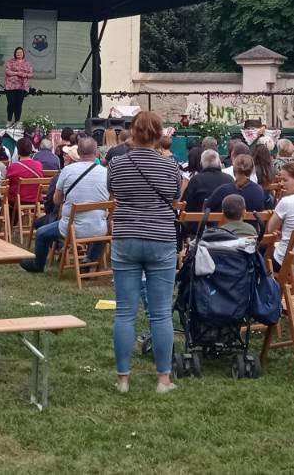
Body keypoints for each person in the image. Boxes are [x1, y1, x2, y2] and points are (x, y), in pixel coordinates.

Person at [105, 111, 180, 393]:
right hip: (160, 237)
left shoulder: (117, 164)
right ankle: (163, 379)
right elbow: (175, 197)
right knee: (160, 313)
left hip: (126, 237)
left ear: (132, 133)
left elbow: (113, 192)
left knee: (125, 312)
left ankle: (123, 378)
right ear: (160, 135)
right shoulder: (170, 166)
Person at [21, 138, 107, 272]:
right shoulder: (105, 173)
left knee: (41, 234)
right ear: (96, 152)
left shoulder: (67, 171)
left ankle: (38, 266)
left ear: (78, 152)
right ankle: (90, 260)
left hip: (70, 228)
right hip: (99, 228)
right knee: (100, 226)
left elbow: (56, 200)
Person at [205, 153, 272, 215]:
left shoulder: (222, 190)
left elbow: (207, 208)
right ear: (251, 171)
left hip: (225, 227)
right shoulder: (259, 191)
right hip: (251, 227)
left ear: (234, 170)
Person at [180, 149, 229, 214]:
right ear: (218, 162)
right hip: (225, 222)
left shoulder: (196, 180)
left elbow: (186, 205)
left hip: (199, 221)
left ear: (201, 163)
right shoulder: (229, 179)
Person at [3, 47, 32, 127]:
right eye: (17, 52)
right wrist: (17, 73)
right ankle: (9, 120)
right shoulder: (10, 62)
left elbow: (31, 74)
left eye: (20, 52)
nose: (19, 54)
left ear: (23, 54)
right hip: (10, 86)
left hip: (22, 86)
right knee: (11, 103)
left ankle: (17, 121)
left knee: (19, 104)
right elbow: (7, 71)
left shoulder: (27, 63)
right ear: (15, 53)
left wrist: (25, 74)